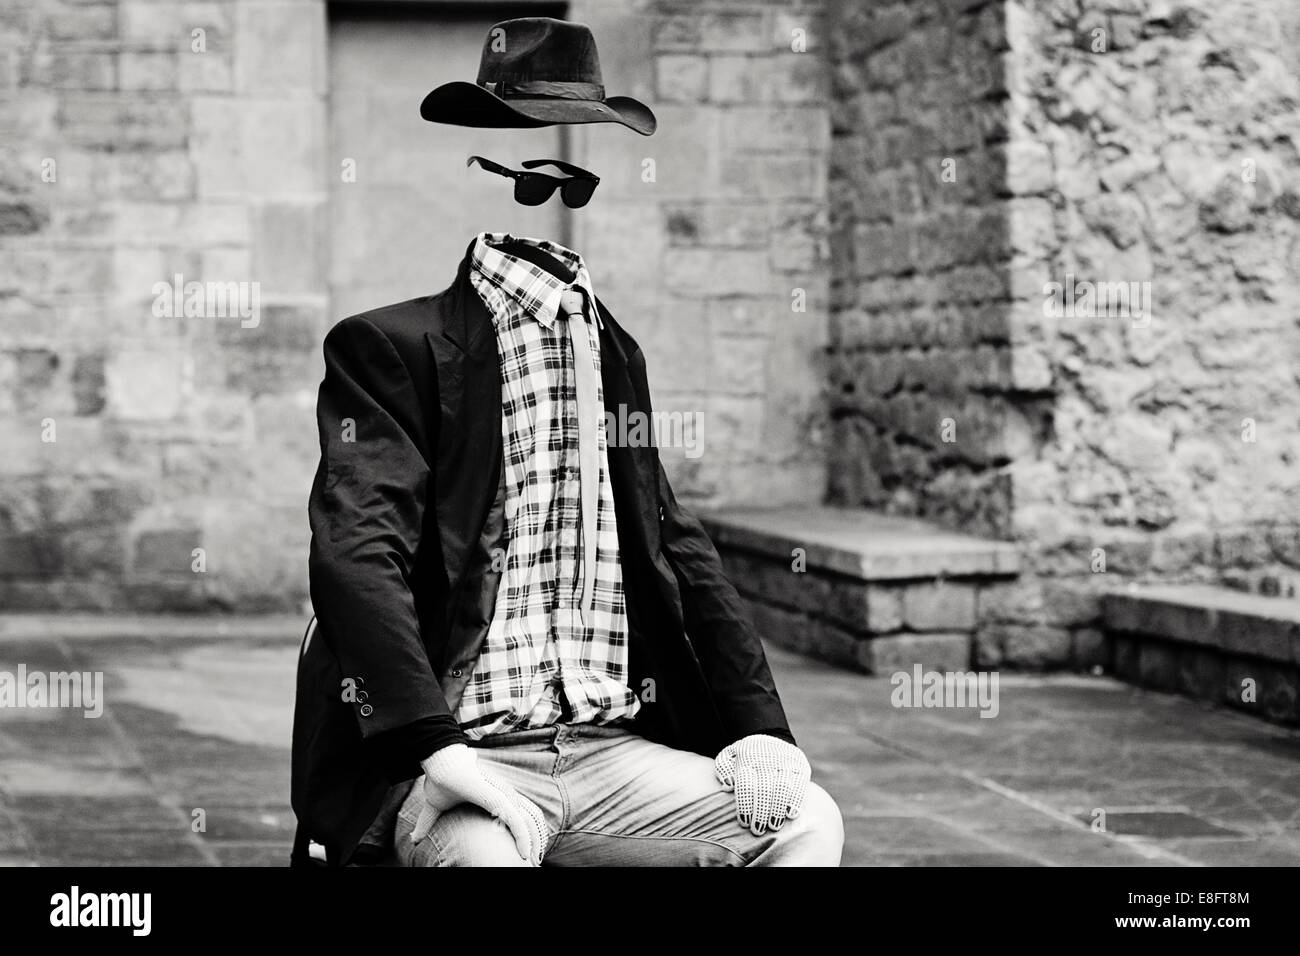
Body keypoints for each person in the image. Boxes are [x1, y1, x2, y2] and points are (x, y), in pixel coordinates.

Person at [290, 17, 843, 868]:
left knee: (806, 820)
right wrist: (433, 751)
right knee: (484, 862)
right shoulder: (387, 347)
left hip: (605, 749)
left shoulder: (611, 348)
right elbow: (358, 553)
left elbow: (672, 542)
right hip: (462, 751)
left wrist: (761, 728)